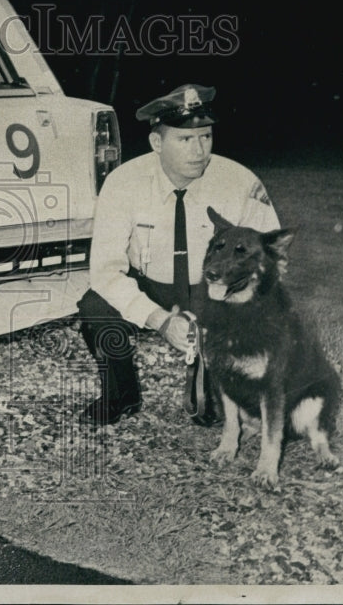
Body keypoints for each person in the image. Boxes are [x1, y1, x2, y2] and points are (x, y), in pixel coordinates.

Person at [77, 83, 281, 426]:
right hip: (152, 285)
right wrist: (160, 320)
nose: (199, 150)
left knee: (205, 414)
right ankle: (121, 394)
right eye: (185, 140)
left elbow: (269, 260)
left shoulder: (239, 182)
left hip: (214, 289)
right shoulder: (123, 183)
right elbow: (106, 271)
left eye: (205, 136)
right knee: (96, 307)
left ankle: (212, 374)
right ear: (157, 143)